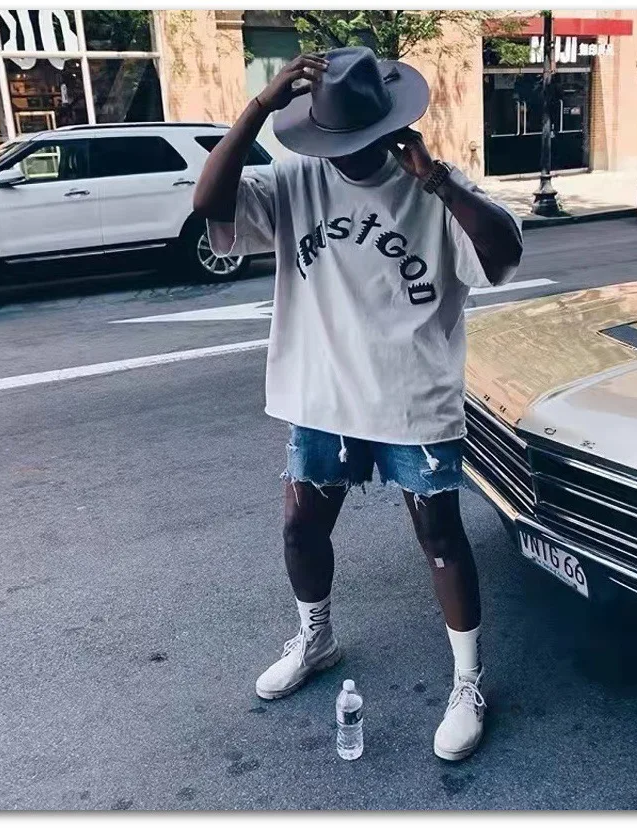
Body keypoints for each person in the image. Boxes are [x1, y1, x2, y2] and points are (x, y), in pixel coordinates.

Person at [193, 47, 523, 762]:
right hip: (321, 396)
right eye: (332, 140)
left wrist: (438, 181)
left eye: (358, 140)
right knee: (300, 529)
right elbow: (209, 204)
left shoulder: (432, 185)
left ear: (389, 127)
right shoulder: (296, 179)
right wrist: (258, 107)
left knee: (440, 538)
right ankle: (316, 638)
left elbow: (502, 255)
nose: (344, 154)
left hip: (411, 397)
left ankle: (468, 682)